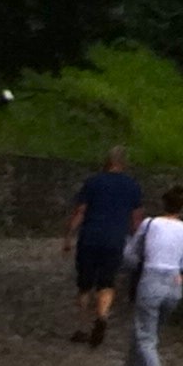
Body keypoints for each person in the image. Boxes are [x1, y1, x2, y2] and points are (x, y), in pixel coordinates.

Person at [119, 185, 183, 366]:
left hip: (151, 279)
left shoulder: (150, 224)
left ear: (163, 204)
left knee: (145, 336)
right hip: (174, 283)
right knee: (148, 335)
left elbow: (130, 254)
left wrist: (135, 266)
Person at [64, 146, 143, 346]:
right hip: (115, 239)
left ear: (107, 161)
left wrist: (68, 237)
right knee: (107, 283)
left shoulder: (93, 182)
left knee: (84, 285)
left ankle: (82, 328)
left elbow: (81, 211)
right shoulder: (132, 186)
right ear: (124, 163)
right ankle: (102, 316)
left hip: (90, 238)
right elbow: (136, 219)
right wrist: (137, 241)